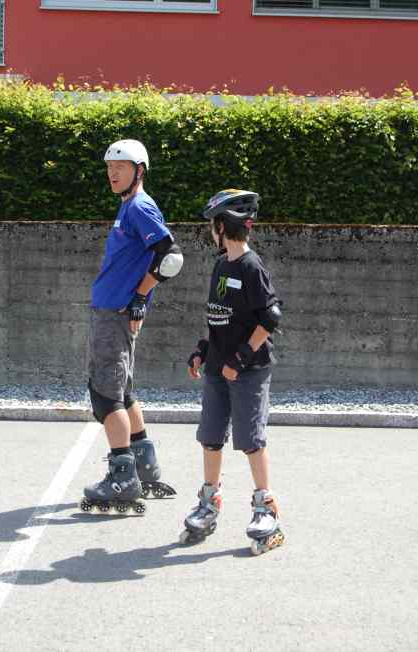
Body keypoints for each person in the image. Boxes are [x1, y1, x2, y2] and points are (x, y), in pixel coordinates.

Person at [81, 139, 183, 514]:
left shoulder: (139, 206)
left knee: (105, 395)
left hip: (115, 314)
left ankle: (123, 477)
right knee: (123, 392)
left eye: (120, 167)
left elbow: (171, 256)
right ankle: (144, 465)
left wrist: (140, 296)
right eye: (109, 167)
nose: (112, 173)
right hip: (113, 312)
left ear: (139, 171)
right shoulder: (129, 206)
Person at [180, 189, 285, 555]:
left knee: (250, 439)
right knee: (210, 436)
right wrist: (203, 349)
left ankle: (265, 507)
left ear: (222, 226)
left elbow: (270, 318)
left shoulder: (252, 267)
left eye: (213, 225)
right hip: (217, 368)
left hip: (248, 371)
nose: (211, 231)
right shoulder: (221, 264)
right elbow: (218, 315)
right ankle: (209, 501)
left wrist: (240, 358)